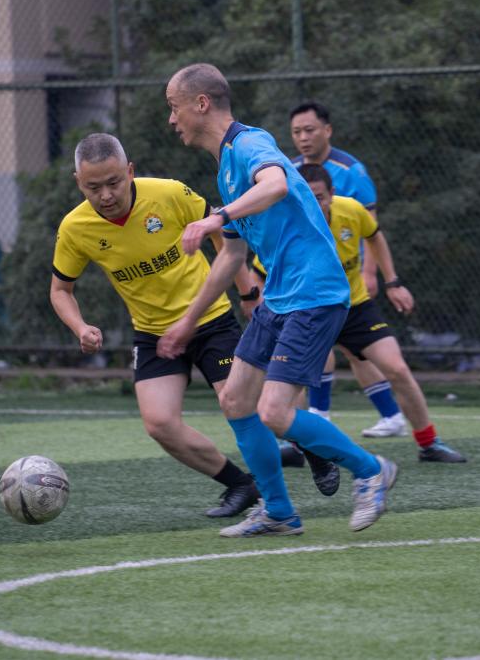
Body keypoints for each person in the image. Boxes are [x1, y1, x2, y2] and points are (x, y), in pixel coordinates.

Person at [161, 62, 398, 536]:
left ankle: (371, 470)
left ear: (201, 104)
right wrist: (188, 320)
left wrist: (215, 217)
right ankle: (279, 512)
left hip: (314, 293)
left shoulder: (250, 143)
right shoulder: (226, 171)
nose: (171, 119)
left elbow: (276, 184)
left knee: (274, 411)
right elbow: (231, 256)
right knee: (235, 400)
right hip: (280, 298)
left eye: (174, 107)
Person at [50, 132, 260, 519]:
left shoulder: (169, 193)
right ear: (78, 182)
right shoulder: (75, 228)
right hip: (153, 334)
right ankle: (241, 484)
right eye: (93, 187)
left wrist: (247, 291)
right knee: (160, 423)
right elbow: (61, 290)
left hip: (210, 319)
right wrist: (79, 327)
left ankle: (307, 450)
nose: (106, 195)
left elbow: (222, 232)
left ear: (130, 171)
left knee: (239, 404)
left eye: (114, 182)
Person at [293, 163, 467, 462]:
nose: (314, 204)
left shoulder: (352, 210)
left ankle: (429, 444)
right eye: (306, 197)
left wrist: (392, 282)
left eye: (319, 197)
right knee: (293, 379)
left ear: (332, 194)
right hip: (310, 310)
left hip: (355, 307)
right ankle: (296, 446)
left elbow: (374, 236)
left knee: (397, 369)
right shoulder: (290, 222)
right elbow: (262, 268)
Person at [287, 101, 408, 438]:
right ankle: (387, 416)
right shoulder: (290, 170)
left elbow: (371, 229)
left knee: (351, 351)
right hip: (311, 279)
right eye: (296, 132)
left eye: (309, 130)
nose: (303, 138)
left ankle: (324, 416)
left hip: (348, 278)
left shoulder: (352, 170)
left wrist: (371, 273)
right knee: (340, 349)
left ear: (327, 130)